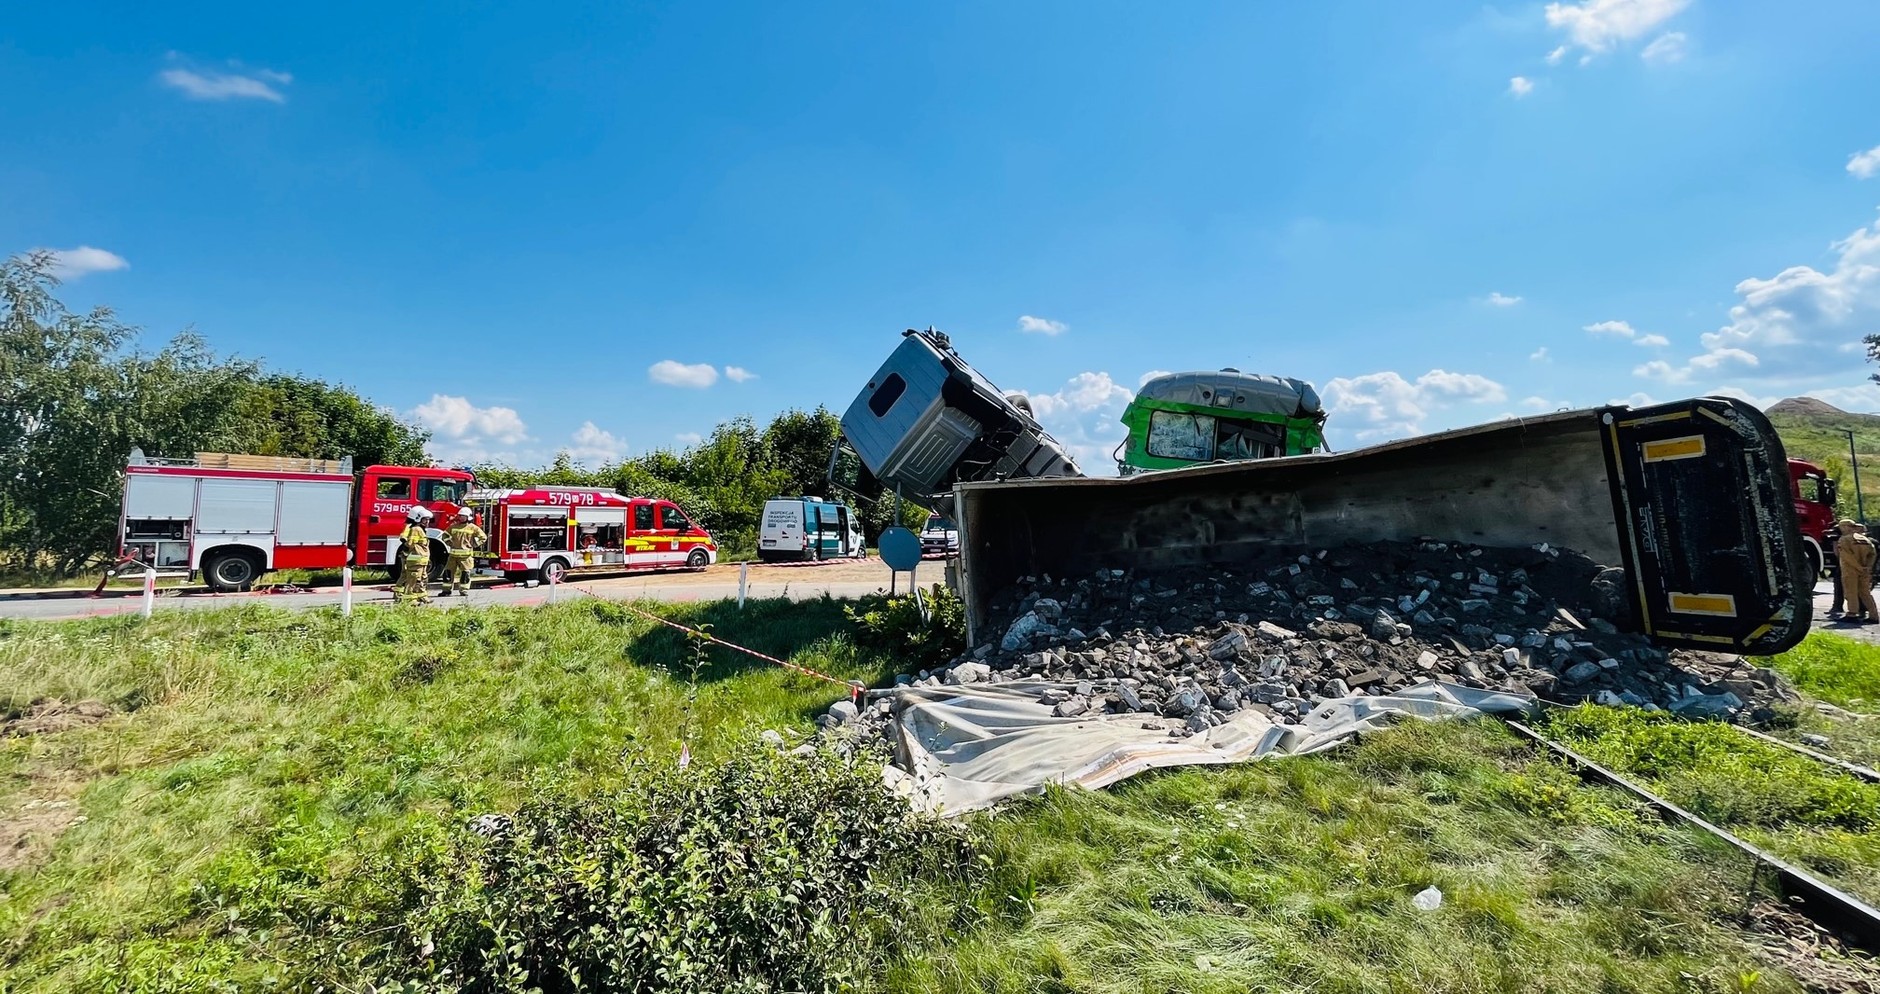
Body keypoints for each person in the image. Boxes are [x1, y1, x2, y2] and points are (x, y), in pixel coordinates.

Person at [1834, 519, 1877, 624]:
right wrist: (1868, 567)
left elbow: (1846, 556)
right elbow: (1873, 554)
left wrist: (1858, 567)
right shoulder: (1865, 539)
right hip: (1865, 570)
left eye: (1841, 527)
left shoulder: (1844, 540)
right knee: (1865, 593)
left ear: (1845, 527)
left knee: (1850, 592)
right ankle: (1874, 615)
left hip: (1850, 570)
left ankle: (1852, 614)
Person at [441, 508, 487, 597]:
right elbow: (445, 535)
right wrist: (449, 543)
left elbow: (483, 537)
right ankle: (446, 590)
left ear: (468, 517)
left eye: (463, 516)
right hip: (453, 556)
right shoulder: (453, 526)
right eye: (460, 516)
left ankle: (463, 590)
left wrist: (474, 544)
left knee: (465, 574)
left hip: (466, 557)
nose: (461, 518)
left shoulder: (473, 528)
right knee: (448, 573)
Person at [397, 507, 434, 605]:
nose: (427, 522)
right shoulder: (415, 529)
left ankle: (422, 596)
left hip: (421, 561)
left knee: (421, 579)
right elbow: (410, 543)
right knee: (412, 579)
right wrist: (407, 554)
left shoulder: (420, 529)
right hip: (415, 560)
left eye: (428, 519)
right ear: (418, 519)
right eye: (425, 519)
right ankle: (408, 599)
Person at [1826, 521, 1846, 618]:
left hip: (1843, 565)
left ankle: (1837, 606)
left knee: (1839, 586)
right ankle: (1860, 608)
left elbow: (1837, 553)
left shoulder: (1840, 540)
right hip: (1850, 565)